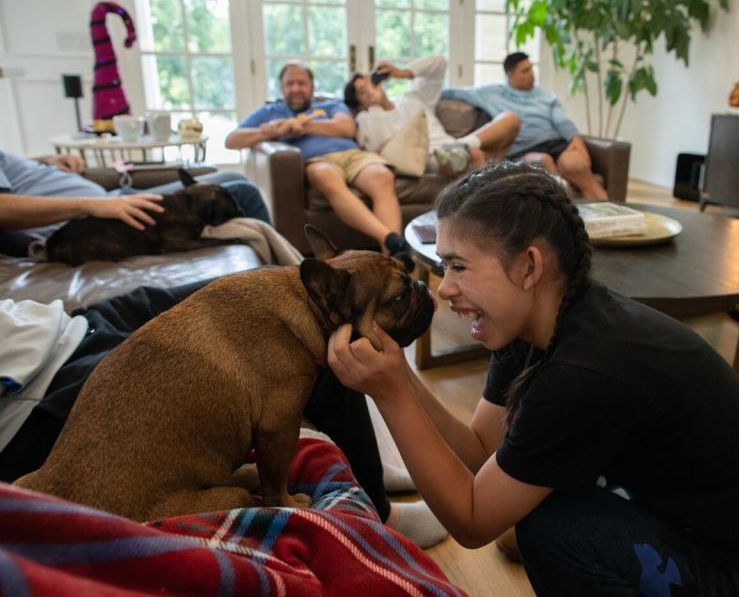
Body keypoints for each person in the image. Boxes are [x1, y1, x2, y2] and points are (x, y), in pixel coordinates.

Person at [326, 163, 739, 596]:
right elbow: (484, 451)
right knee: (528, 520)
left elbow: (474, 521)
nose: (445, 289)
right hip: (680, 523)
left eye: (459, 266)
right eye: (443, 266)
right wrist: (402, 377)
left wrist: (391, 394)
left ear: (529, 266)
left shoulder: (585, 370)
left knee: (549, 528)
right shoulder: (537, 323)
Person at [0, 280, 447, 548]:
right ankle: (377, 507)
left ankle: (357, 460)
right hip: (35, 392)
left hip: (65, 326)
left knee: (268, 296)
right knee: (319, 338)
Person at [226, 62, 412, 266]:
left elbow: (347, 128)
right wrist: (275, 130)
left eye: (301, 83)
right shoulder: (270, 112)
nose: (296, 88)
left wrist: (301, 126)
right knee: (325, 175)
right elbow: (232, 140)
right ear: (282, 87)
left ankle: (392, 261)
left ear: (312, 86)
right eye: (290, 84)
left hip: (352, 155)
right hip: (318, 161)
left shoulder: (331, 106)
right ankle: (390, 240)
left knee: (382, 175)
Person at [0, 150, 270, 256]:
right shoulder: (87, 209)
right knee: (242, 192)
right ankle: (282, 281)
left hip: (111, 200)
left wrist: (42, 161)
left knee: (233, 177)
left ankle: (282, 271)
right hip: (93, 218)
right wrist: (89, 205)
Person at [441, 52, 608, 199]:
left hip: (556, 143)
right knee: (543, 160)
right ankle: (565, 206)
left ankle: (613, 217)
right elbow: (451, 92)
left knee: (576, 165)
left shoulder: (546, 96)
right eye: (525, 71)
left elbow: (562, 122)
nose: (532, 75)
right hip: (525, 150)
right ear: (510, 75)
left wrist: (576, 140)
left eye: (531, 69)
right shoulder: (490, 93)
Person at [343, 55, 520, 174]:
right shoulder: (366, 119)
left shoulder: (413, 98)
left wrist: (402, 73)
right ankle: (467, 153)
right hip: (432, 156)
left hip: (452, 146)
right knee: (475, 155)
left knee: (511, 119)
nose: (369, 88)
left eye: (368, 81)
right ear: (359, 104)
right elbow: (377, 148)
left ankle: (462, 145)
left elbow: (439, 63)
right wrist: (372, 107)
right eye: (362, 91)